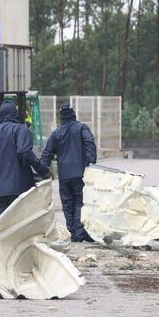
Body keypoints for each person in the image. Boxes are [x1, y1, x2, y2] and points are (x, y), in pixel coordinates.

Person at [0, 101, 50, 220]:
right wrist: (42, 169)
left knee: (1, 226)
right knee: (21, 225)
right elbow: (24, 151)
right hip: (20, 189)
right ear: (15, 114)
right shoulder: (21, 130)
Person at [40, 104, 97, 242]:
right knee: (80, 201)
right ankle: (79, 231)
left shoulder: (56, 133)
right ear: (73, 115)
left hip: (64, 176)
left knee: (67, 203)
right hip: (80, 173)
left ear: (61, 118)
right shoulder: (82, 128)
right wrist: (90, 162)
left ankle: (72, 231)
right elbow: (89, 142)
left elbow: (47, 153)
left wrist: (43, 170)